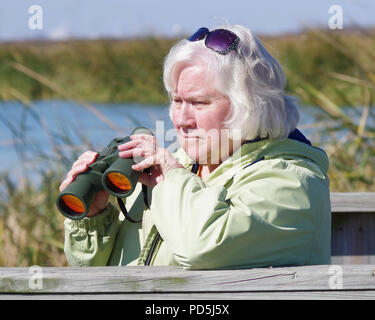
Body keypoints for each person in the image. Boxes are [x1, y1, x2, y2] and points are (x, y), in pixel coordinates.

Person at [61, 25, 331, 269]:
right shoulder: (173, 169)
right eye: (177, 101)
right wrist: (92, 218)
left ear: (250, 105)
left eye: (199, 103)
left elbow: (200, 247)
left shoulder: (293, 183)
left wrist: (172, 176)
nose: (181, 120)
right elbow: (91, 274)